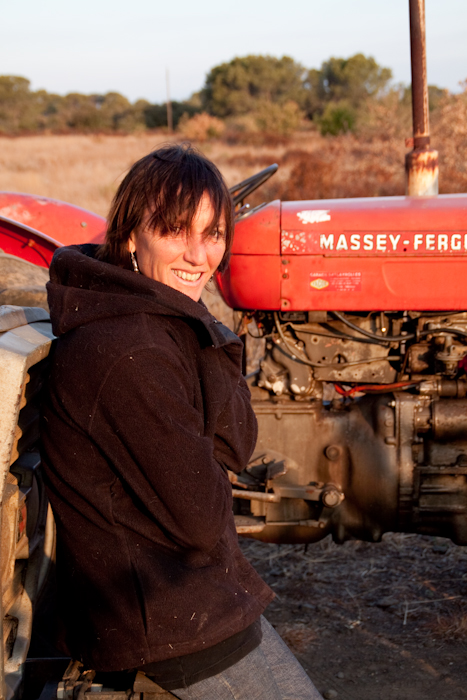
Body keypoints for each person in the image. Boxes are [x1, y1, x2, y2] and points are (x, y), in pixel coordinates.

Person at [40, 143, 323, 700]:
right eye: (175, 231)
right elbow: (201, 517)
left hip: (195, 595)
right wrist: (199, 321)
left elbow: (236, 447)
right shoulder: (127, 350)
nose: (198, 256)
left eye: (213, 234)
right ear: (129, 237)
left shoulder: (156, 322)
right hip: (160, 618)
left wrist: (204, 321)